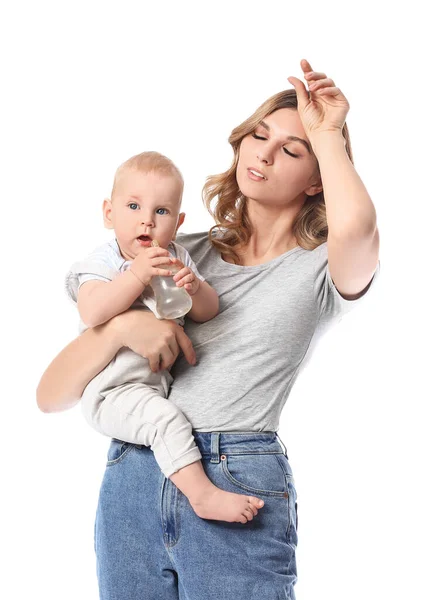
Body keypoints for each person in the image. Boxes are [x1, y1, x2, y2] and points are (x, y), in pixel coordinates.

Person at [37, 59, 381, 599]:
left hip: (235, 476)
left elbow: (358, 226)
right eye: (259, 135)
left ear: (317, 180)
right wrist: (125, 326)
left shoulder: (320, 268)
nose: (264, 153)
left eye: (292, 149)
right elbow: (51, 394)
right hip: (134, 469)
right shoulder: (175, 252)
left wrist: (328, 132)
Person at [65, 150, 266, 523]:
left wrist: (195, 289)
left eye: (161, 212)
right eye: (133, 206)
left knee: (170, 417)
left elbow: (208, 311)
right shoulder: (105, 262)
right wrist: (137, 275)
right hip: (112, 389)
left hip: (154, 385)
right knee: (167, 422)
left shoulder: (176, 257)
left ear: (178, 221)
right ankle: (202, 495)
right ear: (109, 213)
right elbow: (92, 312)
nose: (146, 220)